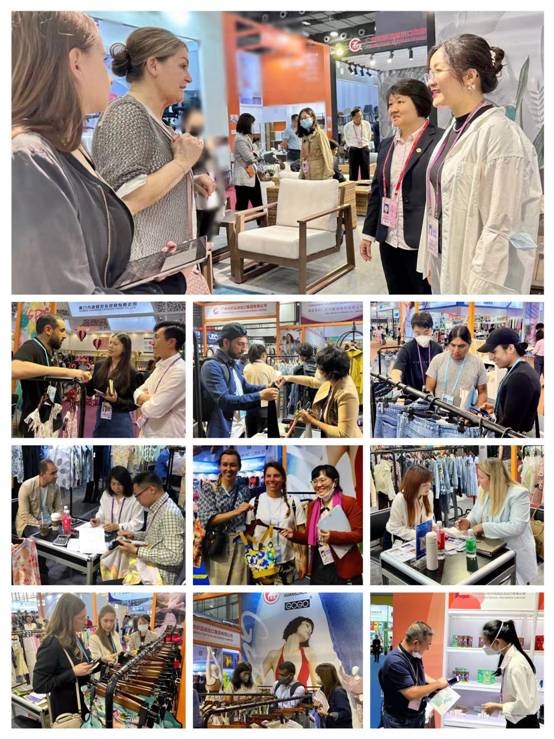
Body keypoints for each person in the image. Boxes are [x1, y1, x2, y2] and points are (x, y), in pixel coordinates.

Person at [12, 12, 133, 293]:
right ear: (76, 62)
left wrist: (143, 279)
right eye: (103, 60)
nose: (110, 78)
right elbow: (62, 295)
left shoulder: (66, 147)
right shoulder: (29, 160)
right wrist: (154, 294)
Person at [419, 34, 542, 294]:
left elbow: (502, 224)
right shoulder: (454, 129)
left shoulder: (500, 134)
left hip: (474, 276)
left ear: (470, 76)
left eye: (438, 71)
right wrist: (430, 256)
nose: (430, 81)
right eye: (429, 72)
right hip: (444, 257)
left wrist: (479, 289)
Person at [92, 27, 213, 283]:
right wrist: (182, 163)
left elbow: (152, 178)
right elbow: (128, 199)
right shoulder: (127, 113)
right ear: (154, 65)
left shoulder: (154, 120)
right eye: (182, 66)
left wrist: (189, 177)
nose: (189, 77)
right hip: (144, 276)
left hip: (166, 268)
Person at [361, 80, 443, 294]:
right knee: (397, 295)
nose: (393, 109)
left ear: (419, 103)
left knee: (424, 296)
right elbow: (377, 192)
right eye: (390, 104)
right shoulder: (386, 145)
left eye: (400, 102)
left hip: (423, 243)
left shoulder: (441, 141)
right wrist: (368, 233)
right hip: (389, 239)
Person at [456, 459, 537, 584]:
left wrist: (483, 527)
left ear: (493, 478)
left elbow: (516, 527)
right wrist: (468, 521)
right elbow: (476, 512)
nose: (478, 480)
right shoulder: (483, 490)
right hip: (491, 552)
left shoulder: (519, 494)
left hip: (514, 553)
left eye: (481, 477)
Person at [12, 314, 91, 437]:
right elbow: (14, 369)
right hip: (36, 423)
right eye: (62, 330)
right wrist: (66, 371)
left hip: (51, 420)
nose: (65, 335)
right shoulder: (31, 346)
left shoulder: (51, 352)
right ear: (48, 330)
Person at [283, 465, 363, 585]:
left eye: (322, 480)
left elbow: (359, 534)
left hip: (345, 564)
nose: (318, 485)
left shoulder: (348, 502)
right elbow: (311, 537)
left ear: (334, 481)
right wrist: (293, 535)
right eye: (315, 481)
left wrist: (332, 536)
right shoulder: (312, 506)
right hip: (319, 564)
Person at [200, 323, 279, 438]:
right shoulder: (212, 366)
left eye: (245, 345)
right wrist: (260, 395)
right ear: (226, 342)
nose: (244, 349)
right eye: (240, 344)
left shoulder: (233, 364)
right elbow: (225, 401)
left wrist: (266, 386)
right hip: (224, 432)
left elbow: (244, 386)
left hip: (240, 429)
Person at [32, 594, 100, 724]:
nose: (85, 621)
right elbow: (39, 685)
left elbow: (85, 666)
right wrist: (72, 673)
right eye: (81, 618)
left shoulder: (75, 637)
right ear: (68, 619)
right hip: (68, 714)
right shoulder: (52, 643)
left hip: (83, 706)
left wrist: (102, 662)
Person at [277, 347, 362, 437]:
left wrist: (312, 421)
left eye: (319, 368)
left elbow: (344, 434)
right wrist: (288, 378)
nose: (316, 370)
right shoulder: (334, 380)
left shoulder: (346, 394)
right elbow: (312, 382)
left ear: (330, 372)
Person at [196, 449, 252, 585]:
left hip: (239, 542)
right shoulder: (209, 489)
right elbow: (207, 519)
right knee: (218, 585)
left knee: (240, 584)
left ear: (239, 467)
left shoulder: (244, 490)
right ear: (219, 466)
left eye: (233, 465)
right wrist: (237, 511)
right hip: (217, 542)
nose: (228, 469)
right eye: (225, 464)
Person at [117, 472, 185, 584]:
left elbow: (175, 556)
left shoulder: (169, 513)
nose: (137, 500)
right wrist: (133, 535)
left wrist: (137, 550)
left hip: (159, 578)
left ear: (152, 489)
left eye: (137, 495)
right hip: (149, 568)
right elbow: (154, 536)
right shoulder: (155, 507)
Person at [379, 621, 448, 728]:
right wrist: (437, 684)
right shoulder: (395, 662)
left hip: (417, 715)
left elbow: (419, 673)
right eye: (428, 645)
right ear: (416, 643)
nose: (428, 648)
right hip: (400, 721)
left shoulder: (414, 654)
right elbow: (411, 693)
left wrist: (433, 682)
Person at [247, 461, 307, 585]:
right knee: (265, 595)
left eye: (276, 476)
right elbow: (248, 533)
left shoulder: (293, 502)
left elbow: (302, 534)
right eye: (268, 476)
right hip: (261, 562)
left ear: (283, 478)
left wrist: (303, 559)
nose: (272, 479)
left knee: (285, 595)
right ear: (264, 478)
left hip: (287, 562)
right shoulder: (255, 502)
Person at [477, 327, 541, 434]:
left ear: (511, 348)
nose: (490, 358)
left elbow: (509, 427)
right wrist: (498, 409)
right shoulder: (521, 371)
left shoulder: (520, 378)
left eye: (494, 352)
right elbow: (518, 411)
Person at [480, 619, 540, 728]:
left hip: (523, 724)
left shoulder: (516, 665)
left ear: (497, 642)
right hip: (517, 720)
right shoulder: (510, 658)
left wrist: (496, 706)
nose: (484, 647)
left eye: (485, 643)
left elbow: (524, 705)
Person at [133, 321, 186, 437]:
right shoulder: (160, 366)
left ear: (171, 342)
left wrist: (146, 399)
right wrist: (150, 398)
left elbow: (154, 410)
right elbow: (137, 391)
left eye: (156, 337)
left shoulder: (180, 371)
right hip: (147, 433)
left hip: (167, 436)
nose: (152, 342)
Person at [86, 333, 140, 438]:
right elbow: (90, 391)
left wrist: (116, 400)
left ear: (124, 349)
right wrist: (86, 381)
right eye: (110, 342)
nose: (110, 346)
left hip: (121, 418)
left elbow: (134, 404)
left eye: (115, 344)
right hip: (101, 416)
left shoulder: (132, 372)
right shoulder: (99, 365)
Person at [183, 108, 223, 242]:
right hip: (196, 188)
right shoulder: (186, 141)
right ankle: (201, 248)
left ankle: (207, 245)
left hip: (209, 186)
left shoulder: (205, 141)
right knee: (198, 225)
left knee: (208, 222)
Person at [426, 325, 488, 409]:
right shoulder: (438, 360)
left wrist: (475, 411)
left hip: (464, 414)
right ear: (448, 344)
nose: (456, 350)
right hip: (438, 412)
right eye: (453, 345)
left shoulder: (478, 364)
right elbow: (429, 389)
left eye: (461, 346)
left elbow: (483, 393)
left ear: (469, 345)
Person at [390, 312, 443, 389]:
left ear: (432, 330)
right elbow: (396, 370)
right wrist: (396, 381)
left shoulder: (438, 348)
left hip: (432, 393)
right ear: (413, 331)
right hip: (411, 393)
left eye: (426, 333)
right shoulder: (406, 349)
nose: (422, 336)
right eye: (418, 333)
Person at [260, 617, 318, 687]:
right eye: (307, 625)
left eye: (311, 632)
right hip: (280, 693)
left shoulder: (309, 653)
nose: (309, 631)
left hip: (301, 694)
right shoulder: (273, 655)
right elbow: (258, 680)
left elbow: (316, 684)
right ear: (297, 623)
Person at [387, 465, 434, 544]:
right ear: (413, 485)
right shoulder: (400, 499)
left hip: (417, 537)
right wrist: (418, 533)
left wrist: (432, 526)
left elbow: (429, 515)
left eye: (429, 483)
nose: (428, 487)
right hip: (398, 539)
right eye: (424, 485)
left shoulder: (429, 494)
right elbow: (395, 528)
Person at [15, 459, 63, 537]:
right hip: (29, 523)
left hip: (50, 521)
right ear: (42, 474)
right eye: (52, 473)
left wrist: (57, 518)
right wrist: (39, 524)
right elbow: (24, 514)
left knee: (65, 532)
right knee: (44, 536)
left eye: (56, 472)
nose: (56, 476)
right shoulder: (27, 486)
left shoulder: (55, 487)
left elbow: (59, 508)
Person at [90, 466, 144, 534]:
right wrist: (98, 519)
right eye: (113, 484)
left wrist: (118, 526)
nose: (116, 487)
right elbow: (102, 512)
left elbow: (138, 523)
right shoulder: (106, 495)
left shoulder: (135, 499)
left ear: (126, 483)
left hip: (125, 536)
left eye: (120, 484)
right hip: (106, 533)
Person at [242, 344, 281, 437]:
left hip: (249, 406)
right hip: (265, 407)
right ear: (263, 355)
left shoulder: (246, 368)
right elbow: (275, 389)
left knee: (251, 435)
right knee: (264, 436)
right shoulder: (269, 369)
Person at [233, 113, 263, 212]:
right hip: (243, 177)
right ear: (247, 124)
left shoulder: (247, 137)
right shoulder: (240, 139)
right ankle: (239, 223)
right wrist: (255, 153)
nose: (254, 126)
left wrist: (255, 153)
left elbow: (256, 150)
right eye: (252, 124)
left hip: (251, 173)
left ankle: (260, 220)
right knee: (242, 205)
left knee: (258, 203)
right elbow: (250, 158)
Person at [297, 107, 334, 180]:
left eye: (305, 117)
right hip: (308, 174)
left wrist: (327, 174)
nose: (303, 120)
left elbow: (327, 155)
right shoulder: (304, 137)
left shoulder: (319, 134)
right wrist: (302, 174)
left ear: (313, 118)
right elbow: (303, 157)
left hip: (320, 174)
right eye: (301, 119)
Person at [314, 663, 352, 728]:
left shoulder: (338, 692)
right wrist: (319, 706)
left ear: (325, 676)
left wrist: (328, 714)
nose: (317, 678)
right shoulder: (324, 690)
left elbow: (346, 714)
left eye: (318, 675)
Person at [343, 107, 372, 181]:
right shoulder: (347, 126)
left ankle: (366, 187)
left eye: (361, 115)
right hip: (353, 150)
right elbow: (346, 138)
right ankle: (353, 186)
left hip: (364, 148)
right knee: (353, 171)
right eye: (358, 116)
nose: (361, 117)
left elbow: (369, 136)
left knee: (366, 170)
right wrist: (351, 145)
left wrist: (366, 143)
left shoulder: (367, 124)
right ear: (353, 117)